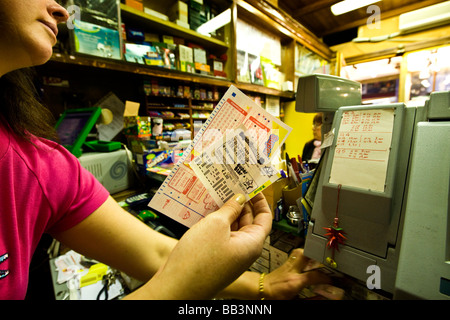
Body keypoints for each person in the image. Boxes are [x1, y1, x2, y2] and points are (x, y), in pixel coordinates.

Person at [0, 0, 328, 300]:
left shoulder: (41, 163)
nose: (61, 10)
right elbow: (172, 269)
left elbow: (156, 254)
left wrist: (262, 285)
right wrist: (180, 287)